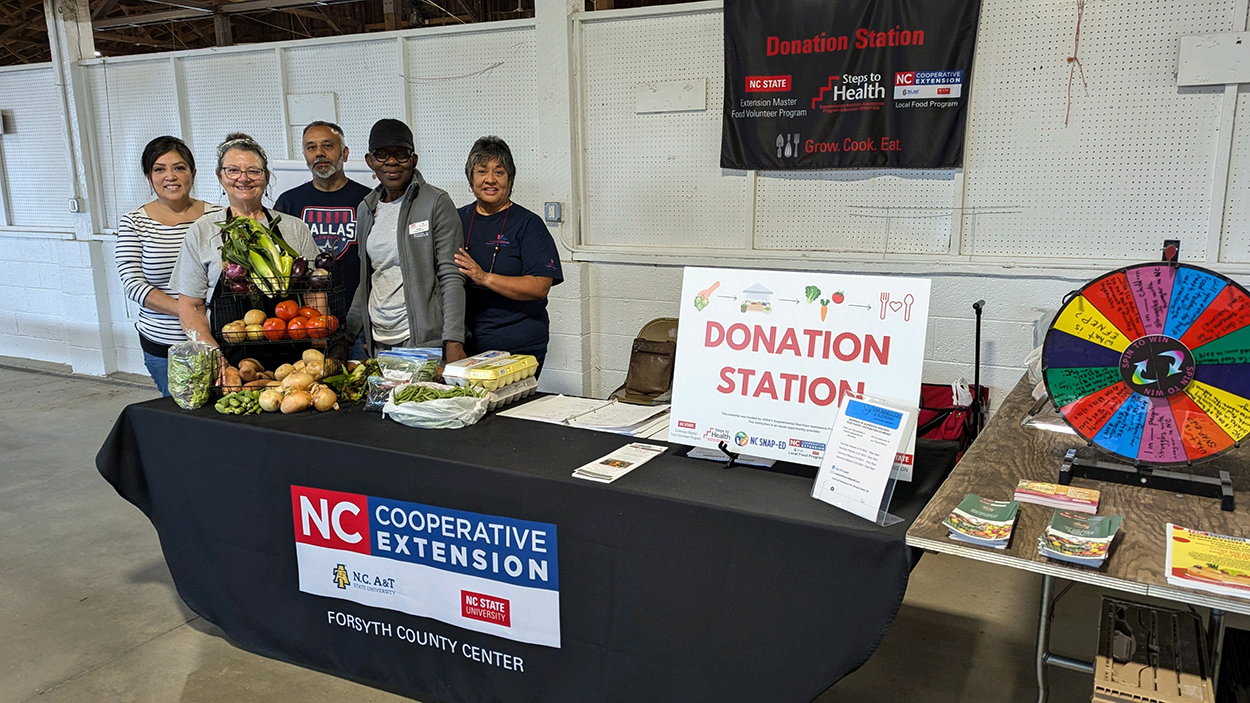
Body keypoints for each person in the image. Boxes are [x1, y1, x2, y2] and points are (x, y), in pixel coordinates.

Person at [172, 133, 320, 350]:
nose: (244, 178)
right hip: (228, 357)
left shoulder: (294, 228)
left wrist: (318, 342)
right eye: (232, 170)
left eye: (254, 171)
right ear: (219, 176)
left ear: (266, 176)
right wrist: (213, 356)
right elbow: (190, 307)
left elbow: (315, 294)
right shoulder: (202, 231)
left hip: (294, 355)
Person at [347, 119, 466, 361]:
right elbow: (367, 277)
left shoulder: (436, 202)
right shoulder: (366, 208)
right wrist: (349, 333)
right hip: (379, 340)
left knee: (422, 399)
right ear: (370, 161)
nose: (391, 162)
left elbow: (452, 275)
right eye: (382, 154)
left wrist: (454, 339)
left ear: (414, 160)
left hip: (422, 340)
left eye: (401, 154)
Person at [115, 136, 222, 396]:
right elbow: (132, 283)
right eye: (159, 169)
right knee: (180, 414)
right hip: (165, 344)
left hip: (220, 338)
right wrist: (190, 313)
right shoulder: (134, 223)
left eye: (179, 167)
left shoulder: (218, 217)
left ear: (193, 173)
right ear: (148, 176)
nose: (170, 176)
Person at [453, 136, 562, 370]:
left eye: (499, 172)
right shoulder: (455, 220)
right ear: (471, 178)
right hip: (466, 345)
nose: (490, 180)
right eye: (482, 171)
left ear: (509, 179)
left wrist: (484, 278)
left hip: (518, 348)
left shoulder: (528, 224)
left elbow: (539, 286)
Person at [273, 121, 372, 322]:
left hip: (361, 318)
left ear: (344, 153)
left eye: (328, 145)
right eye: (311, 147)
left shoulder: (369, 200)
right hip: (303, 319)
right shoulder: (288, 202)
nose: (319, 153)